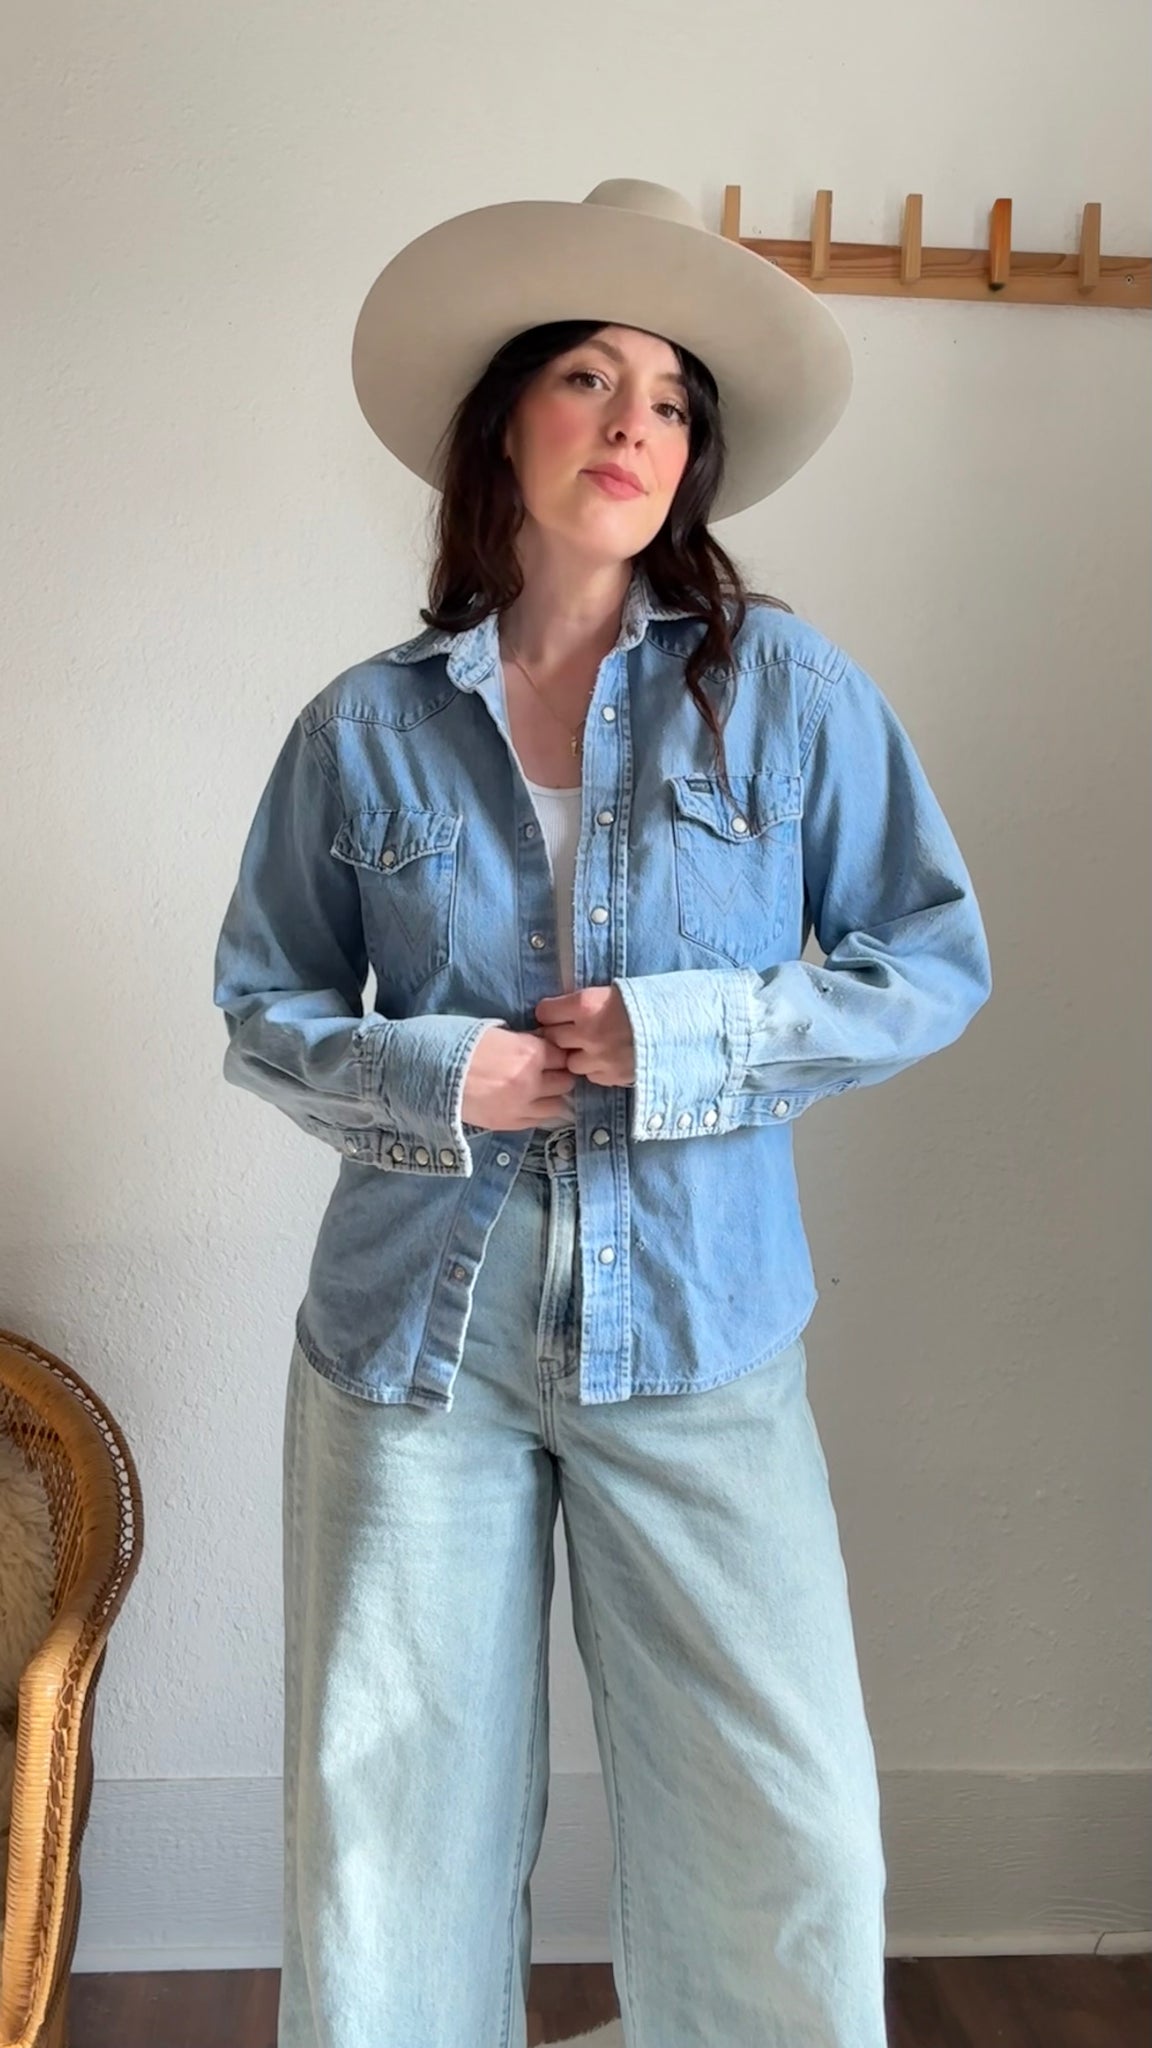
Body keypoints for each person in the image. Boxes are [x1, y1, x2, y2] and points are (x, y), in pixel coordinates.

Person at [213, 178, 992, 2048]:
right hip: (419, 1346)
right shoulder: (363, 727)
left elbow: (929, 959)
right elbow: (263, 1004)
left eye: (672, 399)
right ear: (506, 423)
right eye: (590, 377)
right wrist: (438, 1072)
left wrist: (687, 1036)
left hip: (704, 1326)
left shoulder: (789, 694)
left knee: (782, 1826)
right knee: (388, 1832)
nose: (638, 422)